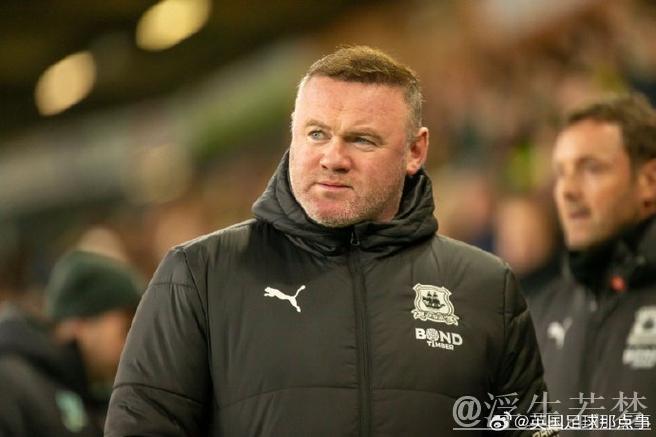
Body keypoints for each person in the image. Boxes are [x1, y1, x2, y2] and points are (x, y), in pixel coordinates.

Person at [106, 46, 554, 436]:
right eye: (316, 134)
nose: (333, 158)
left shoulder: (486, 288)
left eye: (362, 140)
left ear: (415, 151)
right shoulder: (198, 276)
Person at [529, 94, 656, 435]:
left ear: (649, 181)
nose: (568, 190)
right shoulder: (543, 313)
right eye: (561, 173)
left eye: (591, 168)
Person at [0, 250, 142, 436]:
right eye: (126, 327)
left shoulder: (89, 393)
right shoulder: (11, 384)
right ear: (82, 322)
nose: (134, 342)